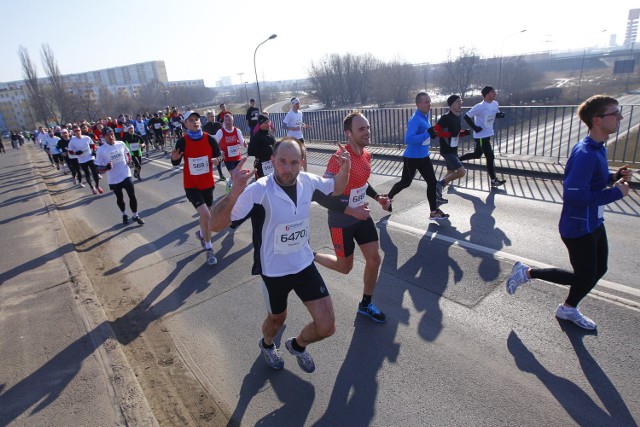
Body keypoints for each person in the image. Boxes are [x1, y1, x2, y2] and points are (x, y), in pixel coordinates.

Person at [209, 137, 351, 373]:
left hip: (304, 264)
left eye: (294, 162)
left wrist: (345, 169)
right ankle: (266, 345)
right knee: (277, 320)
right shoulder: (259, 190)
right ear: (272, 160)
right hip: (274, 271)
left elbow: (336, 187)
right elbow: (215, 224)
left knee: (327, 326)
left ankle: (297, 345)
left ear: (302, 162)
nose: (287, 168)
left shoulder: (308, 181)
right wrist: (234, 193)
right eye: (282, 161)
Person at [506, 95, 632, 330]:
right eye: (615, 113)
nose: (620, 117)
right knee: (584, 276)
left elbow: (592, 183)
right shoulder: (586, 154)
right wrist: (618, 193)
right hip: (577, 227)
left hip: (594, 222)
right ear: (597, 120)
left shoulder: (597, 148)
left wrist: (613, 178)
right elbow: (575, 195)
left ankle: (567, 308)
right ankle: (527, 273)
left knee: (599, 269)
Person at [313, 111, 391, 323]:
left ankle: (366, 304)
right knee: (344, 267)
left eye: (367, 127)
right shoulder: (338, 158)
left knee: (374, 259)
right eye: (361, 129)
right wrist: (351, 210)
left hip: (361, 214)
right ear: (349, 133)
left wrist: (378, 197)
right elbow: (321, 195)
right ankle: (311, 255)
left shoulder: (366, 154)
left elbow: (361, 182)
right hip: (341, 220)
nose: (367, 132)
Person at [171, 111, 223, 266]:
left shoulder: (209, 139)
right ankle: (209, 248)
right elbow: (175, 161)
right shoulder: (183, 141)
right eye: (191, 120)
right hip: (192, 185)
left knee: (206, 217)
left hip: (208, 184)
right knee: (206, 216)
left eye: (197, 119)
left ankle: (201, 233)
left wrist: (217, 160)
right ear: (185, 124)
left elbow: (220, 156)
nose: (195, 122)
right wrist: (174, 159)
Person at [387, 91, 450, 220]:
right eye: (426, 102)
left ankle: (433, 211)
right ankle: (388, 197)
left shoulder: (425, 115)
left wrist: (433, 133)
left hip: (424, 157)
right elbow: (409, 139)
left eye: (430, 101)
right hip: (412, 158)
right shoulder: (415, 119)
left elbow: (427, 134)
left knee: (432, 183)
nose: (429, 104)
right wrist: (427, 133)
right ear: (418, 104)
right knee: (406, 182)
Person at [459, 85, 507, 188]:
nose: (495, 94)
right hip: (480, 136)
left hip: (488, 133)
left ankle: (457, 160)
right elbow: (466, 117)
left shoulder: (495, 104)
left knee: (477, 154)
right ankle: (494, 180)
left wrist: (500, 115)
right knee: (490, 156)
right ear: (487, 94)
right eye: (493, 92)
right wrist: (475, 128)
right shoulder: (479, 106)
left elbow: (495, 114)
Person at [95, 127, 145, 225]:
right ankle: (124, 214)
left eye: (112, 134)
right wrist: (106, 167)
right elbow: (98, 167)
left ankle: (135, 215)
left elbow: (127, 153)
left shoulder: (121, 144)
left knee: (132, 195)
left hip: (125, 173)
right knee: (120, 198)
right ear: (104, 137)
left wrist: (129, 160)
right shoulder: (101, 150)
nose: (111, 136)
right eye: (108, 135)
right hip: (114, 178)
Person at [434, 95, 472, 197]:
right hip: (446, 150)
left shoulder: (457, 117)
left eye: (461, 102)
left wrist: (463, 133)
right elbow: (435, 132)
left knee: (450, 174)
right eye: (457, 102)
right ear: (451, 104)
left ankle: (436, 194)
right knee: (462, 172)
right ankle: (438, 185)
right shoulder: (445, 118)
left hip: (453, 149)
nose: (460, 104)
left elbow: (455, 133)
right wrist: (450, 134)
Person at [214, 113, 246, 189]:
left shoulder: (237, 130)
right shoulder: (221, 132)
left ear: (233, 121)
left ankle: (232, 184)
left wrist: (245, 144)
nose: (228, 122)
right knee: (234, 175)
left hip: (237, 157)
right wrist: (220, 152)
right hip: (227, 158)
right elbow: (214, 144)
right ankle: (233, 188)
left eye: (229, 120)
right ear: (224, 122)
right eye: (226, 120)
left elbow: (242, 142)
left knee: (238, 175)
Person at [69, 125, 102, 194]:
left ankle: (97, 186)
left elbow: (92, 145)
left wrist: (94, 151)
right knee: (87, 173)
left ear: (80, 131)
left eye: (78, 130)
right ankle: (92, 187)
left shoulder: (86, 138)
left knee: (95, 172)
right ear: (73, 132)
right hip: (82, 159)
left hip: (90, 157)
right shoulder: (72, 141)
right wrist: (76, 153)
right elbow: (70, 151)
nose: (78, 132)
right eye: (76, 131)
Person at [282, 97, 311, 171]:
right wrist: (293, 128)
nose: (298, 105)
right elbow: (283, 126)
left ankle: (306, 172)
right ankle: (293, 170)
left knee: (304, 154)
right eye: (297, 104)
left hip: (300, 136)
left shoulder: (300, 113)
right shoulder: (289, 114)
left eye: (299, 103)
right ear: (293, 104)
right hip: (292, 138)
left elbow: (300, 122)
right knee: (294, 155)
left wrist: (305, 126)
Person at [248, 114, 276, 178]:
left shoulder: (271, 134)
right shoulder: (256, 136)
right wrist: (266, 150)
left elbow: (275, 146)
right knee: (263, 185)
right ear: (260, 124)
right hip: (261, 165)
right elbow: (250, 151)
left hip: (272, 163)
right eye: (265, 123)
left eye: (268, 122)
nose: (268, 124)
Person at [202, 110, 226, 181]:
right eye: (211, 116)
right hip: (209, 146)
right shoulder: (205, 127)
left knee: (218, 159)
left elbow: (223, 133)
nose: (213, 118)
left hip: (218, 145)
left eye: (214, 116)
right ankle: (207, 175)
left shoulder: (218, 124)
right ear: (207, 118)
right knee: (209, 161)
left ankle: (221, 174)